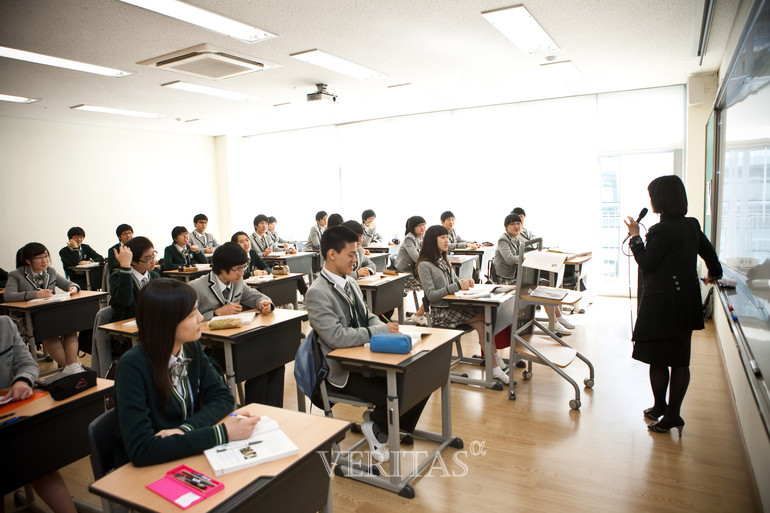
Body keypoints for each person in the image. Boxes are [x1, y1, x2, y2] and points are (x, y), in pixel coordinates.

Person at [306, 226, 427, 462]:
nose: (356, 259)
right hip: (343, 369)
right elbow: (337, 338)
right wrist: (379, 330)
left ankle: (379, 426)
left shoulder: (349, 282)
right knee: (397, 394)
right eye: (351, 254)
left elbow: (368, 316)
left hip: (367, 358)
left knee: (420, 378)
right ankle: (380, 426)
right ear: (332, 254)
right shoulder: (317, 292)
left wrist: (384, 328)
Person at [113, 279, 260, 467]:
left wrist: (186, 430)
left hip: (185, 454)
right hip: (147, 470)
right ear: (166, 323)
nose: (201, 318)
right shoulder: (132, 367)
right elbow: (142, 449)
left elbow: (223, 398)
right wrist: (221, 433)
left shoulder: (190, 347)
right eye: (192, 314)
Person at [625, 175, 722, 436]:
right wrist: (715, 272)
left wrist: (635, 237)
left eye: (653, 196)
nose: (651, 201)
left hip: (662, 305)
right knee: (679, 359)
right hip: (687, 301)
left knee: (658, 359)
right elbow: (708, 251)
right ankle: (668, 411)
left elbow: (646, 263)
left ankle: (667, 411)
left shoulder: (661, 230)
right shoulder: (691, 225)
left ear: (661, 200)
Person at [0, 316, 77, 513]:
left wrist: (22, 381)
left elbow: (28, 364)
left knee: (39, 460)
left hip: (9, 416)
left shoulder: (5, 325)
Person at [188, 243, 281, 406]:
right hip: (210, 348)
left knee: (274, 361)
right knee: (258, 361)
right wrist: (216, 314)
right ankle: (255, 409)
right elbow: (185, 320)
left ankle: (266, 411)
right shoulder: (196, 287)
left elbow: (254, 296)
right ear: (222, 268)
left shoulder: (237, 282)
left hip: (235, 341)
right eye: (238, 269)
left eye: (243, 268)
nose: (242, 273)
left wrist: (264, 303)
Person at [417, 225, 508, 383]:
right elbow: (431, 296)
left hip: (454, 307)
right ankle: (494, 361)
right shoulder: (424, 265)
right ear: (433, 241)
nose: (447, 241)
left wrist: (465, 283)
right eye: (443, 238)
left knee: (483, 323)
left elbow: (453, 284)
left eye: (447, 237)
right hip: (441, 313)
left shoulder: (443, 259)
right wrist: (457, 285)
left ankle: (493, 364)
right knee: (487, 316)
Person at [5, 243, 81, 373]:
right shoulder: (16, 275)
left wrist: (73, 288)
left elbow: (70, 284)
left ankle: (72, 368)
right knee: (49, 331)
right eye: (39, 257)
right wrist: (34, 294)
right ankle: (69, 369)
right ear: (28, 260)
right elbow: (8, 295)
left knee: (70, 328)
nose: (45, 260)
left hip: (50, 314)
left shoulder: (50, 272)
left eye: (46, 256)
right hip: (27, 318)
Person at [109, 236, 159, 322]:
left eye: (153, 255)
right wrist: (125, 266)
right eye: (147, 258)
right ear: (133, 261)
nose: (153, 261)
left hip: (151, 323)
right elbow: (125, 301)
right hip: (125, 326)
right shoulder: (117, 277)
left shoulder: (154, 276)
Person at [394, 215, 427, 325]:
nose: (422, 227)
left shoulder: (419, 238)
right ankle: (420, 314)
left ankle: (421, 313)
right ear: (412, 228)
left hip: (411, 272)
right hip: (403, 275)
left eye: (423, 225)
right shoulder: (409, 238)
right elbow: (417, 258)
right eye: (419, 225)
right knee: (430, 284)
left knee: (433, 282)